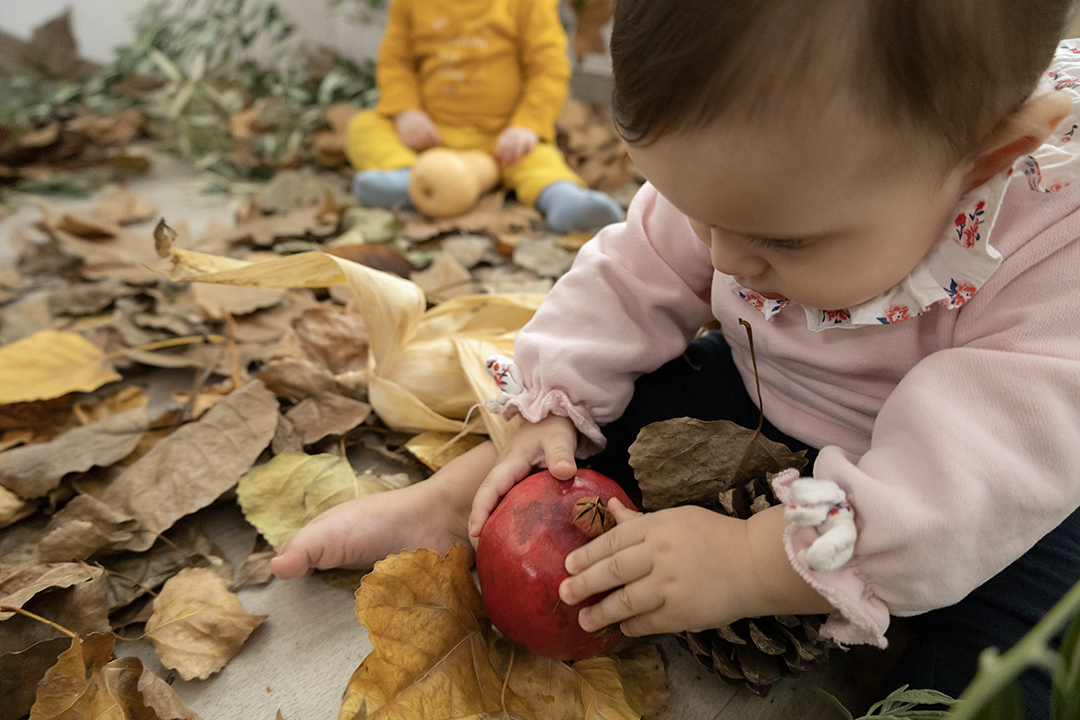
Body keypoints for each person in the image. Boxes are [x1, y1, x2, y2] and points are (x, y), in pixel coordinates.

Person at [273, 1, 1080, 715]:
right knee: (632, 405)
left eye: (781, 239)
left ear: (985, 160)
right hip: (773, 385)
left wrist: (757, 562)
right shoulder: (757, 187)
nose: (723, 261)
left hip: (988, 487)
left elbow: (985, 463)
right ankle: (470, 498)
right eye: (696, 213)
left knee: (1010, 636)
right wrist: (548, 403)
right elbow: (635, 271)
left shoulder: (1054, 247)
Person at [344, 0, 625, 233]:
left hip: (504, 138)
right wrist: (407, 112)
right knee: (365, 127)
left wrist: (526, 126)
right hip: (432, 133)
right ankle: (407, 178)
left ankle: (563, 198)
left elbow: (548, 68)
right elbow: (396, 61)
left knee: (538, 161)